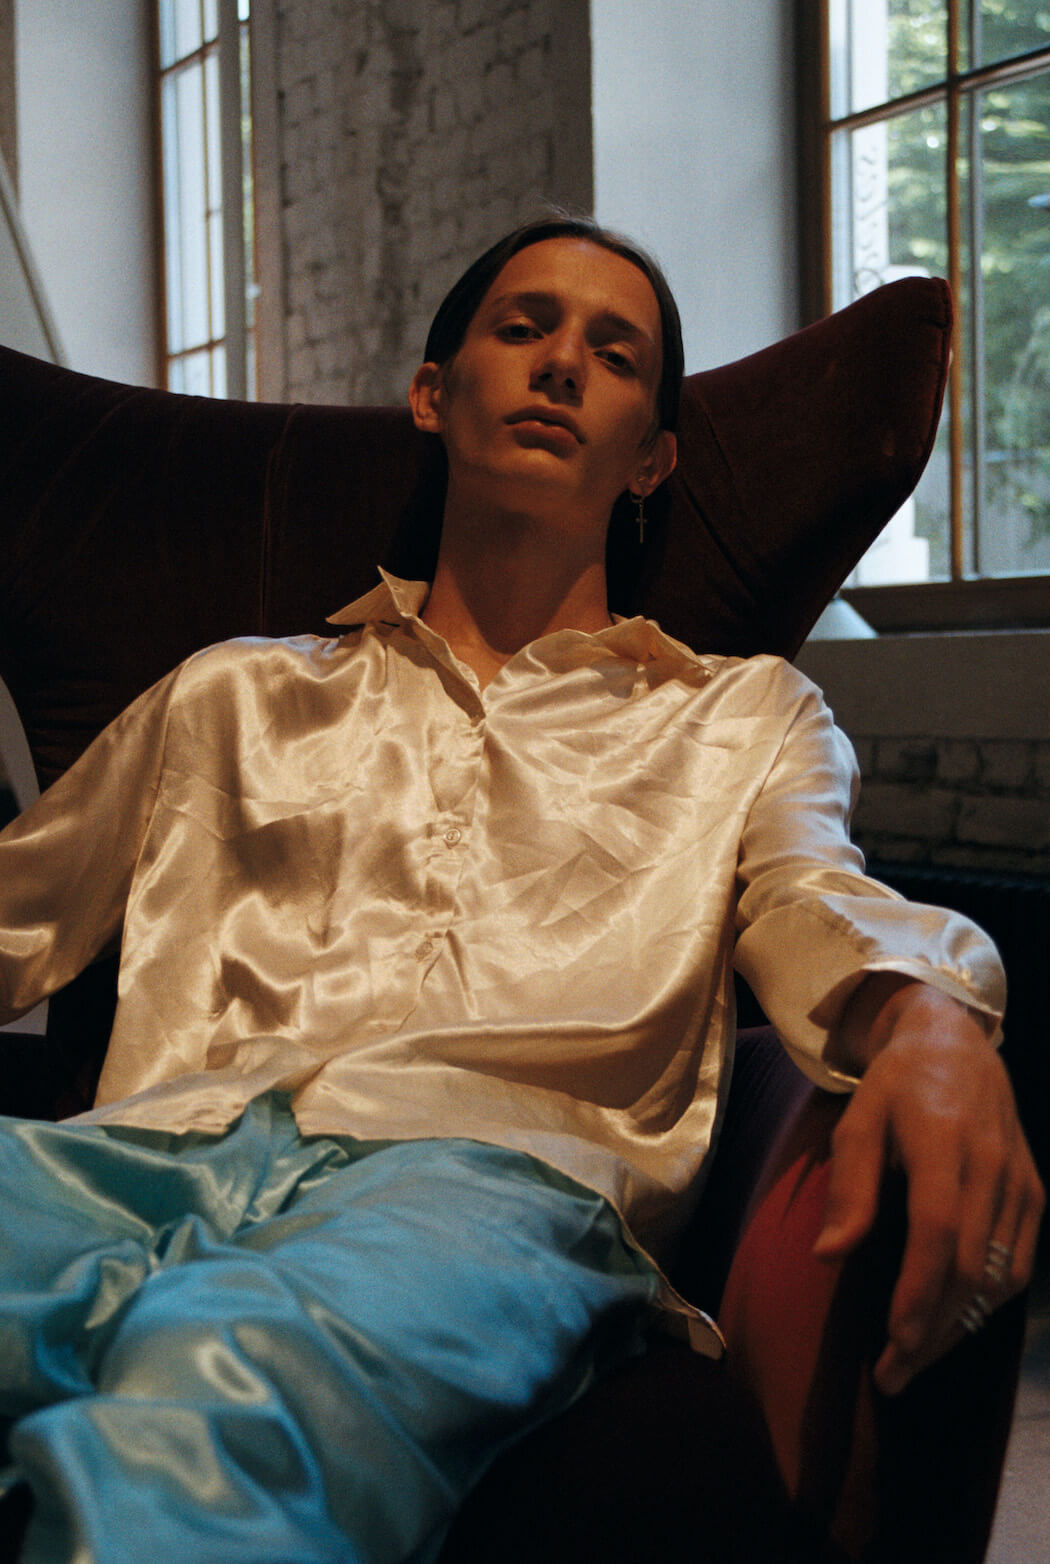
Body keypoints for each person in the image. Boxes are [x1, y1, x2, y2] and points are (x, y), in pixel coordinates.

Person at [0, 216, 1042, 1563]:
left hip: (481, 1188)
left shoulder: (741, 715)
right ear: (433, 395)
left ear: (653, 455)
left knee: (220, 1388)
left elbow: (812, 895)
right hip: (138, 1154)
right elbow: (20, 906)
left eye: (615, 355)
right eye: (523, 326)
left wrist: (931, 1018)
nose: (561, 364)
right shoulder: (232, 690)